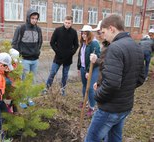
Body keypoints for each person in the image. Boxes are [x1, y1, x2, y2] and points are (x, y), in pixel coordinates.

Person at [85, 14, 145, 142]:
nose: (104, 36)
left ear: (112, 28)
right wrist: (124, 90)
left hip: (109, 108)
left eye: (104, 32)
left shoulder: (115, 48)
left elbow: (112, 84)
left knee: (91, 139)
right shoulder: (136, 46)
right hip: (125, 107)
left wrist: (97, 95)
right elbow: (140, 78)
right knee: (114, 139)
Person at [43, 15, 79, 96]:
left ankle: (62, 90)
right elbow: (52, 42)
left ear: (71, 23)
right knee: (52, 73)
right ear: (64, 21)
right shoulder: (58, 30)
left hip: (68, 58)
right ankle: (47, 88)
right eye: (66, 22)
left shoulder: (74, 32)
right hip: (58, 57)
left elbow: (76, 45)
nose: (67, 24)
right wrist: (57, 51)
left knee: (65, 75)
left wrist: (71, 53)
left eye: (69, 23)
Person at [12, 8, 43, 82]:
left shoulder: (38, 29)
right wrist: (19, 56)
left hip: (35, 59)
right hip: (24, 59)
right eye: (32, 18)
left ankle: (31, 94)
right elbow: (15, 43)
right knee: (25, 81)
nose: (34, 20)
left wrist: (36, 51)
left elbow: (40, 42)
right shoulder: (21, 28)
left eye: (36, 18)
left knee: (33, 80)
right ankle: (25, 94)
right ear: (28, 18)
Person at [77, 25, 100, 117]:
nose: (83, 35)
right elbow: (81, 56)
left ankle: (92, 107)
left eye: (86, 33)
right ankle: (85, 101)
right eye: (82, 33)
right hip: (83, 68)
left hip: (92, 69)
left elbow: (95, 59)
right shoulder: (83, 43)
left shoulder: (94, 43)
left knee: (90, 88)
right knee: (84, 85)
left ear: (89, 34)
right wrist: (79, 68)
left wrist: (88, 71)